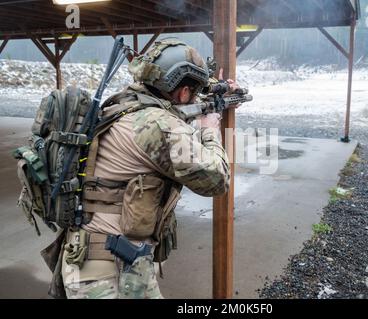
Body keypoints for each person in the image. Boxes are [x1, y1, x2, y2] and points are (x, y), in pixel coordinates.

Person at [58, 38, 237, 299]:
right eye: (192, 91)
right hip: (109, 274)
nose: (193, 97)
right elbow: (217, 179)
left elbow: (178, 110)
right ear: (183, 92)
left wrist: (217, 93)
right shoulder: (157, 124)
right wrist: (209, 130)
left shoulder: (125, 102)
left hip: (91, 258)